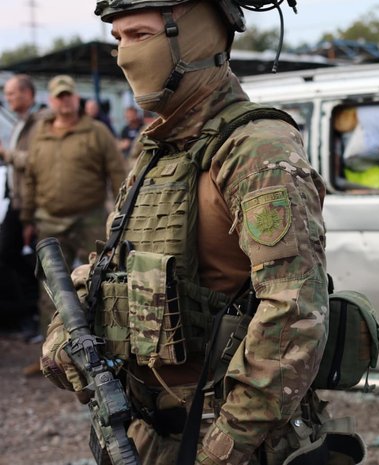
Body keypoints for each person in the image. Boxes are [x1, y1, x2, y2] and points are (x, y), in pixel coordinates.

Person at [39, 2, 339, 465]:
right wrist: (65, 334)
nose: (124, 55)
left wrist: (220, 451)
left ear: (197, 37)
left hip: (229, 443)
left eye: (140, 35)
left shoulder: (256, 149)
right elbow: (111, 267)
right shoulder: (158, 151)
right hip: (145, 435)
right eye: (117, 39)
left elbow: (295, 313)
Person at [22, 74, 126, 360]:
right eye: (59, 97)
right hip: (49, 222)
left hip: (90, 218)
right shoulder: (40, 135)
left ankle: (107, 352)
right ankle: (53, 357)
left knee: (101, 282)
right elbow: (30, 178)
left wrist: (123, 214)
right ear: (51, 101)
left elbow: (118, 173)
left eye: (68, 95)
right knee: (50, 289)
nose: (64, 101)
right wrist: (27, 219)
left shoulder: (96, 132)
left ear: (76, 98)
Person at [0, 74, 46, 347]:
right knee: (11, 253)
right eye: (7, 94)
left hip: (32, 203)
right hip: (17, 201)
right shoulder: (19, 123)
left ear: (28, 94)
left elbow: (36, 162)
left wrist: (6, 154)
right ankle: (30, 312)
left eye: (12, 93)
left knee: (38, 259)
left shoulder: (39, 124)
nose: (8, 98)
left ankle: (36, 316)